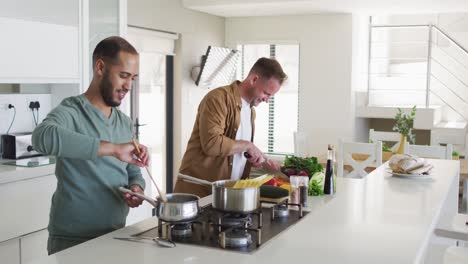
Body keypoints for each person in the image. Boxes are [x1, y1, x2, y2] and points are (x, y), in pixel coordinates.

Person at [32, 36, 149, 255]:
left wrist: (137, 188)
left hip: (115, 234)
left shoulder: (123, 121)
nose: (128, 86)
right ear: (100, 67)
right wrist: (112, 148)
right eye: (123, 76)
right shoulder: (71, 111)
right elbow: (42, 137)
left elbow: (133, 170)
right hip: (73, 239)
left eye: (133, 78)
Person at [174, 57, 287, 197]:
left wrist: (260, 159)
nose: (267, 100)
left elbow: (236, 150)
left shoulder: (250, 112)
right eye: (266, 93)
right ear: (254, 80)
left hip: (225, 196)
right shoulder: (218, 99)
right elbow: (211, 144)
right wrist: (248, 146)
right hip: (199, 194)